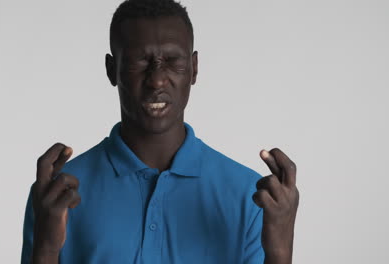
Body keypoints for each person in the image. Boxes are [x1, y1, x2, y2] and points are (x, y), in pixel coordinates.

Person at [21, 0, 300, 263]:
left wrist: (280, 253)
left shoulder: (249, 195)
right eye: (139, 61)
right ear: (111, 69)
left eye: (172, 60)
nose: (156, 80)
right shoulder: (58, 194)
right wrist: (45, 250)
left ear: (194, 68)